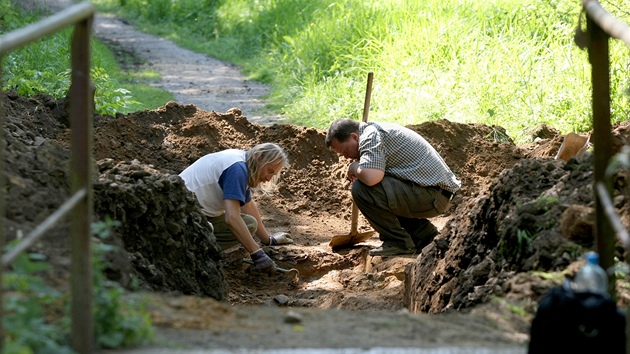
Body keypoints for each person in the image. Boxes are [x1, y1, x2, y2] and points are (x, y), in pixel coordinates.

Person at [325, 119, 461, 256]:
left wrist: (354, 167)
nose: (347, 157)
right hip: (435, 193)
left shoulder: (370, 136)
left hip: (434, 195)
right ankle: (423, 235)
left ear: (354, 137)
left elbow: (372, 178)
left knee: (363, 189)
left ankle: (398, 242)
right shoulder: (373, 132)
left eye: (345, 151)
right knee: (378, 189)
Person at [179, 142, 293, 272]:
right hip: (182, 215)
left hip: (195, 212)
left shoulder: (242, 162)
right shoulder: (237, 169)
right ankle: (192, 253)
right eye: (269, 171)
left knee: (249, 223)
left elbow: (248, 206)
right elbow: (232, 218)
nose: (268, 178)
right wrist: (257, 254)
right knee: (229, 227)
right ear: (260, 158)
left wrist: (268, 240)